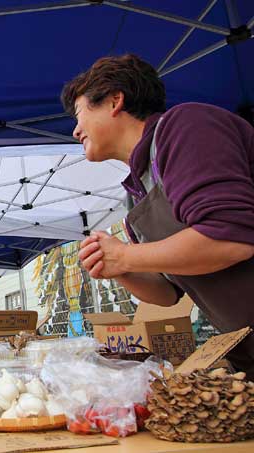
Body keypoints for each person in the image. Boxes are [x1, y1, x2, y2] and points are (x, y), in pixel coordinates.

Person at [62, 54, 254, 379]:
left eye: (80, 114)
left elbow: (231, 238)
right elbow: (166, 294)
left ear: (114, 100)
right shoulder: (137, 189)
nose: (76, 130)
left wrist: (125, 255)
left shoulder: (187, 126)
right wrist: (117, 269)